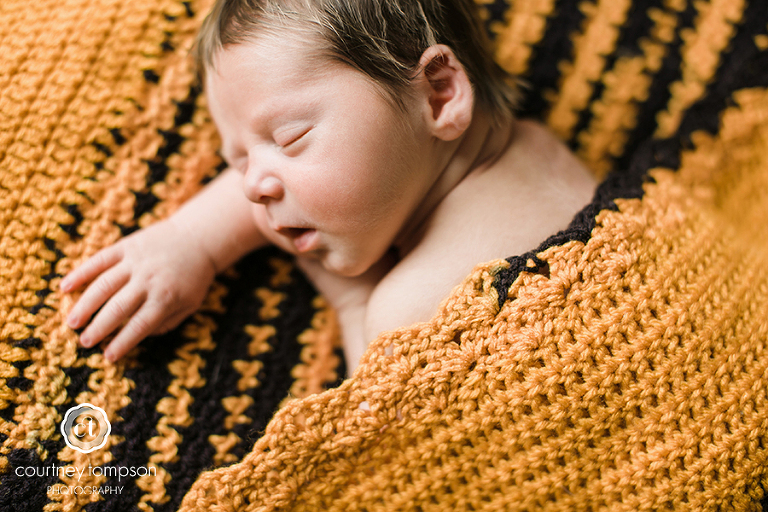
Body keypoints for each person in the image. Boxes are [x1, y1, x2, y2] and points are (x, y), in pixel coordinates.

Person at [60, 0, 597, 373]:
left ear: (438, 93)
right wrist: (190, 239)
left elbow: (390, 456)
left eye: (290, 138)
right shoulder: (541, 150)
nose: (251, 188)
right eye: (239, 162)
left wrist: (353, 301)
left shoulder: (415, 310)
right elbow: (326, 177)